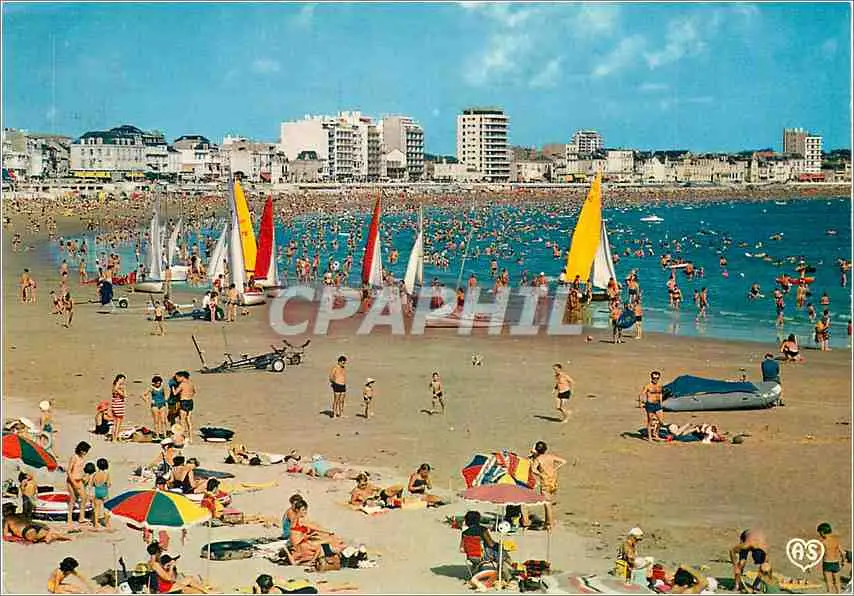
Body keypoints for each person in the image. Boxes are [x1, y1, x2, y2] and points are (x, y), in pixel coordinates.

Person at [530, 441, 566, 531]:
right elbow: (563, 461)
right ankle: (547, 522)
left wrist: (540, 474)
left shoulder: (538, 459)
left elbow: (533, 469)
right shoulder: (550, 456)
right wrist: (555, 468)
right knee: (549, 501)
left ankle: (550, 523)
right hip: (553, 480)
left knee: (547, 503)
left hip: (545, 481)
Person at [3, 502, 71, 544]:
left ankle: (48, 538)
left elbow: (6, 534)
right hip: (33, 527)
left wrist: (13, 532)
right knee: (51, 533)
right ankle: (66, 537)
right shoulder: (20, 515)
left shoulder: (7, 519)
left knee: (48, 535)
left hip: (27, 531)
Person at [66, 441, 91, 528]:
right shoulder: (74, 457)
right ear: (81, 450)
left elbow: (80, 470)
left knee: (84, 498)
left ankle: (81, 517)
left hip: (79, 480)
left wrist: (84, 477)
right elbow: (69, 471)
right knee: (73, 499)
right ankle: (69, 518)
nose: (85, 452)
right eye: (85, 451)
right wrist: (73, 482)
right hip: (72, 480)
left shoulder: (82, 458)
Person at [818, 522, 846, 594]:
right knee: (837, 582)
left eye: (820, 533)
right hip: (836, 563)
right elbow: (843, 552)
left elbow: (819, 554)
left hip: (827, 563)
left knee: (829, 583)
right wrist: (843, 561)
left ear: (822, 532)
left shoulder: (823, 542)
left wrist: (811, 563)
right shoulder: (836, 540)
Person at [639, 371, 664, 442]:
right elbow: (641, 395)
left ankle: (655, 434)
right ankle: (650, 437)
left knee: (661, 422)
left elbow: (660, 394)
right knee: (650, 421)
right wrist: (640, 403)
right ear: (651, 378)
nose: (655, 379)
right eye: (654, 378)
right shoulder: (648, 386)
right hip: (650, 405)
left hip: (658, 404)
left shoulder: (660, 385)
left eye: (657, 378)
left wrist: (661, 403)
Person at [175, 371, 196, 442]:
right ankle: (191, 438)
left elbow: (175, 393)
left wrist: (173, 387)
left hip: (183, 401)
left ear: (182, 377)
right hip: (190, 401)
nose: (177, 379)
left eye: (177, 378)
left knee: (182, 421)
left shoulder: (182, 384)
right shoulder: (191, 384)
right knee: (189, 420)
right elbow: (194, 392)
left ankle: (182, 437)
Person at [91, 458, 111, 531]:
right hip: (104, 491)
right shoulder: (106, 474)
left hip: (97, 491)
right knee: (106, 508)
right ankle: (107, 523)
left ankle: (96, 524)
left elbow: (92, 484)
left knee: (97, 509)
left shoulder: (95, 474)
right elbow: (108, 484)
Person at [110, 374, 127, 443]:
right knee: (118, 423)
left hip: (115, 405)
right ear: (119, 379)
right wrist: (124, 389)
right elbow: (124, 395)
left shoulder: (114, 386)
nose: (123, 381)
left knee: (115, 423)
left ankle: (114, 437)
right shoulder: (117, 387)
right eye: (122, 379)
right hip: (118, 406)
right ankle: (115, 438)